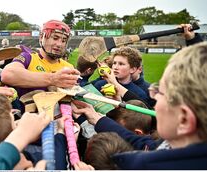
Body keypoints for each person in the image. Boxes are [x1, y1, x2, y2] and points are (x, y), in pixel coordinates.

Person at [73, 42, 207, 169]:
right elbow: (143, 142)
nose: (155, 98)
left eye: (160, 93)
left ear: (184, 119)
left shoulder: (140, 166)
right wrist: (97, 119)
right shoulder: (173, 146)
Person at [1, 20, 79, 97]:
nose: (59, 44)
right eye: (55, 38)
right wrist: (52, 79)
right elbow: (7, 74)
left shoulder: (68, 67)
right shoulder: (28, 58)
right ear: (42, 37)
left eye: (63, 40)